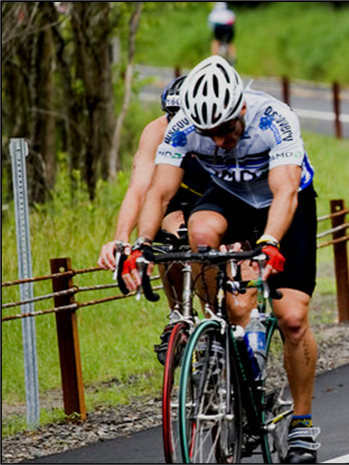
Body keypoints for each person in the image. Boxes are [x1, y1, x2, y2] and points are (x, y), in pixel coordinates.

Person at [121, 56, 321, 463]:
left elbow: (285, 192)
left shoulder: (275, 118)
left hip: (282, 201)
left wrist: (268, 243)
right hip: (229, 196)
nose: (218, 142)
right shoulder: (181, 127)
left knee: (293, 318)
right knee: (200, 233)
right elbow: (158, 193)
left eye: (226, 130)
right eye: (207, 133)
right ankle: (217, 329)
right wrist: (140, 245)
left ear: (241, 110)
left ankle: (301, 423)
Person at [96, 75, 213, 364]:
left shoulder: (214, 127)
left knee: (205, 239)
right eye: (170, 115)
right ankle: (179, 315)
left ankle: (214, 319)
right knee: (167, 234)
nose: (176, 123)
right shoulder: (157, 132)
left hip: (214, 190)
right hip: (172, 191)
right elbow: (139, 189)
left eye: (183, 116)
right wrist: (121, 239)